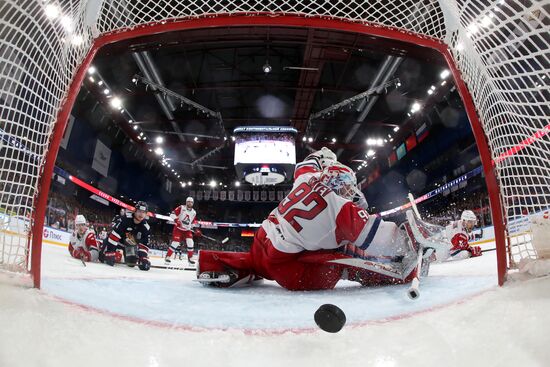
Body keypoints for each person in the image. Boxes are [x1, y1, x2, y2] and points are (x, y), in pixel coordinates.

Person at [197, 147, 439, 290]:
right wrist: (414, 240)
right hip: (288, 269)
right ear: (340, 184)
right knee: (345, 257)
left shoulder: (307, 179)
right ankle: (402, 275)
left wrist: (324, 155)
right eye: (346, 186)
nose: (350, 191)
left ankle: (224, 264)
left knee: (329, 241)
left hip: (261, 242)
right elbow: (387, 240)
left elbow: (307, 162)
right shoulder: (343, 210)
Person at [102, 201, 151, 271]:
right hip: (115, 240)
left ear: (146, 214)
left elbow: (144, 245)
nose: (141, 214)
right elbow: (113, 236)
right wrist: (110, 252)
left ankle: (119, 255)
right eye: (139, 211)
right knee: (103, 258)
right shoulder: (125, 219)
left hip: (129, 242)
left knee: (132, 263)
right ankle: (104, 247)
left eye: (144, 212)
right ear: (135, 211)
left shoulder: (146, 227)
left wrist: (143, 258)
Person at [165, 197, 200, 265]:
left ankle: (190, 258)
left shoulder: (194, 212)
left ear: (193, 203)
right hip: (178, 229)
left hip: (187, 230)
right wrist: (177, 220)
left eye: (191, 202)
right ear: (186, 202)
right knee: (175, 243)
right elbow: (172, 214)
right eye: (188, 201)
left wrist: (195, 230)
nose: (190, 203)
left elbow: (192, 223)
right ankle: (168, 256)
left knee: (190, 242)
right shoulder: (181, 208)